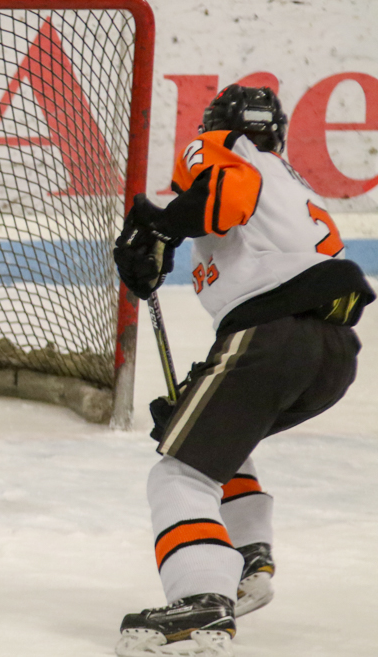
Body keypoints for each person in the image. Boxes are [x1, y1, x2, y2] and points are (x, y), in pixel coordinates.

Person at [111, 84, 374, 656]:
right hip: (333, 349)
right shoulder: (288, 178)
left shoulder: (220, 146)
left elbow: (230, 191)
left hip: (272, 334)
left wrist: (157, 228)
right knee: (217, 442)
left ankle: (200, 600)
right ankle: (250, 557)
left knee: (178, 476)